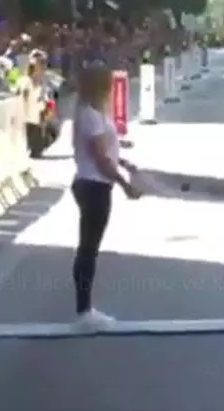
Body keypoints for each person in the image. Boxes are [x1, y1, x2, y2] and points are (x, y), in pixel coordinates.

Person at [71, 65, 141, 326]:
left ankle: (85, 309)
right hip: (94, 185)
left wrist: (124, 163)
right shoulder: (89, 115)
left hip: (94, 183)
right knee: (88, 248)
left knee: (90, 247)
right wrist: (124, 184)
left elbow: (107, 150)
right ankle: (84, 311)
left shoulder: (96, 113)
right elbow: (100, 158)